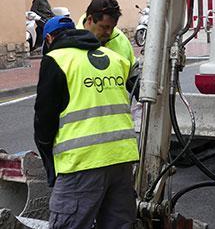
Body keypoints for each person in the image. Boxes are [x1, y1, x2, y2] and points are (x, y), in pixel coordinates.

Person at [34, 15, 139, 228]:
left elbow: (44, 120)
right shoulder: (114, 58)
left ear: (49, 39)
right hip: (122, 160)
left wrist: (49, 162)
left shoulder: (56, 60)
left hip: (81, 163)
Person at [77, 0, 135, 66]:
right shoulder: (71, 41)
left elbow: (133, 70)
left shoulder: (121, 40)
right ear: (90, 19)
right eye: (104, 27)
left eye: (113, 27)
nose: (109, 32)